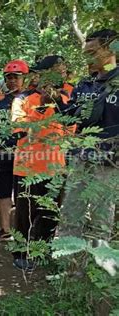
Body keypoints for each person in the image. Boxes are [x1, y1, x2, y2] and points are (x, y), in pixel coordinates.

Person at [58, 29, 118, 259]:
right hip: (82, 159)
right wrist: (56, 101)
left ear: (111, 49)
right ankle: (66, 270)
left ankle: (96, 272)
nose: (87, 58)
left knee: (101, 222)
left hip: (110, 164)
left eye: (92, 52)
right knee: (70, 215)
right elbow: (72, 119)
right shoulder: (85, 85)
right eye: (86, 53)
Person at [10, 55, 71, 272]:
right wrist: (43, 108)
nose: (62, 75)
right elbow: (18, 127)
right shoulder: (23, 99)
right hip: (28, 167)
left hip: (55, 168)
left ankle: (41, 251)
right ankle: (21, 251)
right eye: (58, 70)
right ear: (43, 74)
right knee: (25, 213)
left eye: (64, 71)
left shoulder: (66, 101)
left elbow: (71, 132)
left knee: (49, 214)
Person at [0, 60, 29, 243]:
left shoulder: (32, 99)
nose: (12, 81)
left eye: (16, 77)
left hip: (26, 154)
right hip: (3, 152)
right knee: (2, 191)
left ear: (24, 78)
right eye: (9, 78)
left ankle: (22, 232)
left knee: (23, 193)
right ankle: (5, 229)